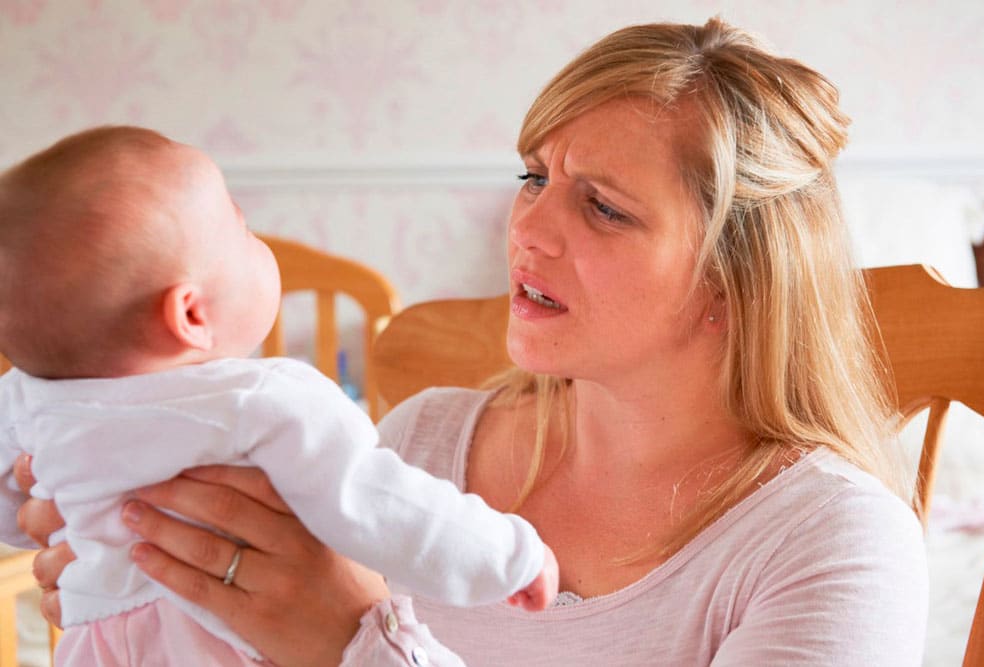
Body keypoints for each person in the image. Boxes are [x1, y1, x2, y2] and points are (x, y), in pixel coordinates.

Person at [16, 17, 928, 666]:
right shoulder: (421, 442)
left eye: (603, 207)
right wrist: (154, 578)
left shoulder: (832, 545)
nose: (527, 226)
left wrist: (358, 643)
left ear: (735, 279)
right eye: (534, 175)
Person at [0, 126, 558, 665]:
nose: (259, 243)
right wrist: (509, 556)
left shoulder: (26, 398)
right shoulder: (261, 402)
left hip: (91, 643)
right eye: (244, 232)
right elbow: (378, 504)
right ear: (191, 314)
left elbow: (17, 512)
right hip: (221, 642)